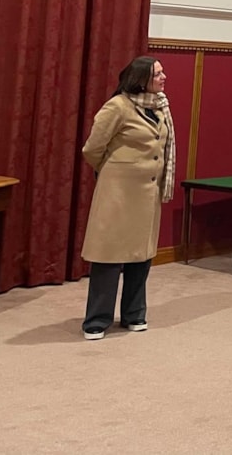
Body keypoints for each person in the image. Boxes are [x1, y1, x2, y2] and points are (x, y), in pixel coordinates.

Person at [79, 56, 176, 340]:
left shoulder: (161, 107)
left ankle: (134, 314)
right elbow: (93, 149)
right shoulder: (118, 106)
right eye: (158, 73)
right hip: (118, 194)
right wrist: (115, 173)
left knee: (140, 256)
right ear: (141, 78)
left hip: (148, 195)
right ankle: (97, 320)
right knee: (108, 256)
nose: (164, 77)